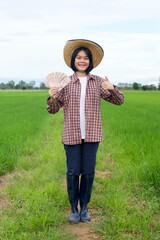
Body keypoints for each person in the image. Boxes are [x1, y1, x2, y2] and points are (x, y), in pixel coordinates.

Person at [47, 39, 124, 224]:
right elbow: (53, 109)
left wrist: (112, 88)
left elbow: (119, 101)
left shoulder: (98, 82)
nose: (82, 61)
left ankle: (85, 207)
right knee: (73, 172)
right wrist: (52, 97)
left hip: (92, 134)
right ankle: (74, 208)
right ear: (73, 60)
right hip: (71, 135)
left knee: (88, 172)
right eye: (79, 57)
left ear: (90, 62)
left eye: (86, 58)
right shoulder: (64, 83)